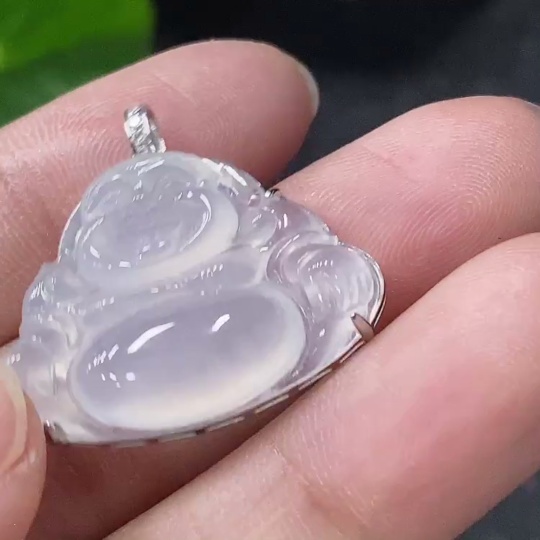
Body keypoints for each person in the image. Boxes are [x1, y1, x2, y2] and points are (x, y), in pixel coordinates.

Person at [1, 39, 540, 540]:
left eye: (170, 211)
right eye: (131, 221)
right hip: (119, 357)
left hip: (244, 317)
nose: (152, 231)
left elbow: (312, 262)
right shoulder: (78, 291)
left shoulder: (256, 235)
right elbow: (49, 341)